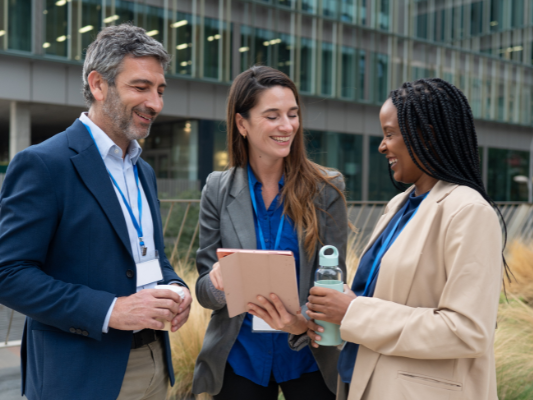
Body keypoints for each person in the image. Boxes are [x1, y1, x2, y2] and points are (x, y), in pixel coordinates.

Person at [0, 25, 192, 400]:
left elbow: (150, 256)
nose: (156, 104)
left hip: (155, 364)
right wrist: (110, 310)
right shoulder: (44, 164)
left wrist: (175, 286)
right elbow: (5, 275)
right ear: (98, 85)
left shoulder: (142, 169)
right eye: (141, 87)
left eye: (160, 91)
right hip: (79, 376)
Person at [306, 78, 508, 400]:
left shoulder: (468, 211)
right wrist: (341, 307)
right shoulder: (399, 205)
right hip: (361, 382)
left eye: (389, 134)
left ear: (424, 135)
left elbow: (468, 332)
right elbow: (381, 299)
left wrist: (353, 311)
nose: (382, 146)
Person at [192, 66, 348, 400]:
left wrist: (301, 323)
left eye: (292, 115)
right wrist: (219, 283)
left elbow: (334, 279)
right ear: (242, 124)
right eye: (273, 116)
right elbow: (204, 292)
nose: (287, 126)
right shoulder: (217, 189)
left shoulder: (327, 188)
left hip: (308, 356)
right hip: (240, 358)